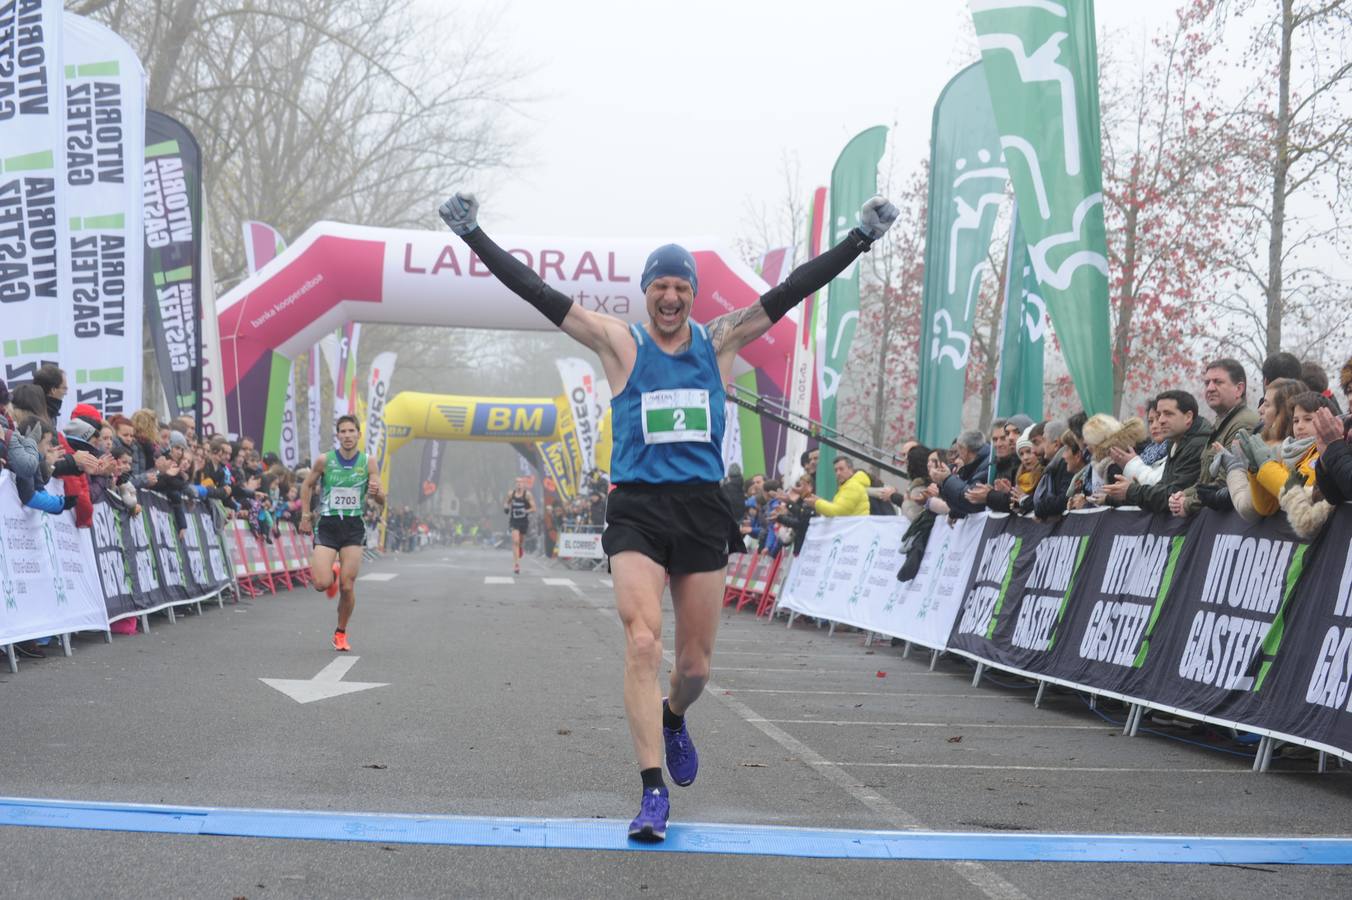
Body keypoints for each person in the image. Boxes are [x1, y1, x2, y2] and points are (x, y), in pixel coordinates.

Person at [440, 187, 898, 841]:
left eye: (682, 287)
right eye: (661, 287)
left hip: (701, 509)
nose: (672, 298)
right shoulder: (619, 343)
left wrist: (859, 239)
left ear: (692, 293)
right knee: (643, 642)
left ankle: (675, 717)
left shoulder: (720, 342)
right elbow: (540, 295)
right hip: (638, 510)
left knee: (695, 670)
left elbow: (792, 291)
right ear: (647, 292)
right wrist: (474, 237)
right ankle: (652, 793)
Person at [298, 416, 385, 652]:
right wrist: (306, 516)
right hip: (328, 524)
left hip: (353, 526)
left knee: (348, 586)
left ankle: (341, 632)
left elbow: (381, 499)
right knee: (320, 583)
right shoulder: (325, 460)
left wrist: (376, 493)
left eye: (351, 431)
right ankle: (332, 572)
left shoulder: (369, 462)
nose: (347, 435)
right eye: (343, 431)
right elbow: (306, 485)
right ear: (338, 436)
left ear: (358, 434)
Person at [805, 455, 870, 517]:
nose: (838, 473)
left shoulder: (852, 486)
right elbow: (838, 508)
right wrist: (819, 500)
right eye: (836, 470)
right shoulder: (849, 485)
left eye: (841, 469)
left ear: (851, 470)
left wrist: (817, 503)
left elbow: (838, 512)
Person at [503, 477, 536, 574]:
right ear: (515, 484)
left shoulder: (527, 495)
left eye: (521, 482)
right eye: (517, 482)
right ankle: (516, 565)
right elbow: (506, 502)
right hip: (514, 521)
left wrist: (525, 510)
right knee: (515, 541)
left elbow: (534, 508)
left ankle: (520, 548)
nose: (519, 484)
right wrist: (506, 507)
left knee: (520, 541)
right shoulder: (511, 494)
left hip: (523, 521)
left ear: (523, 484)